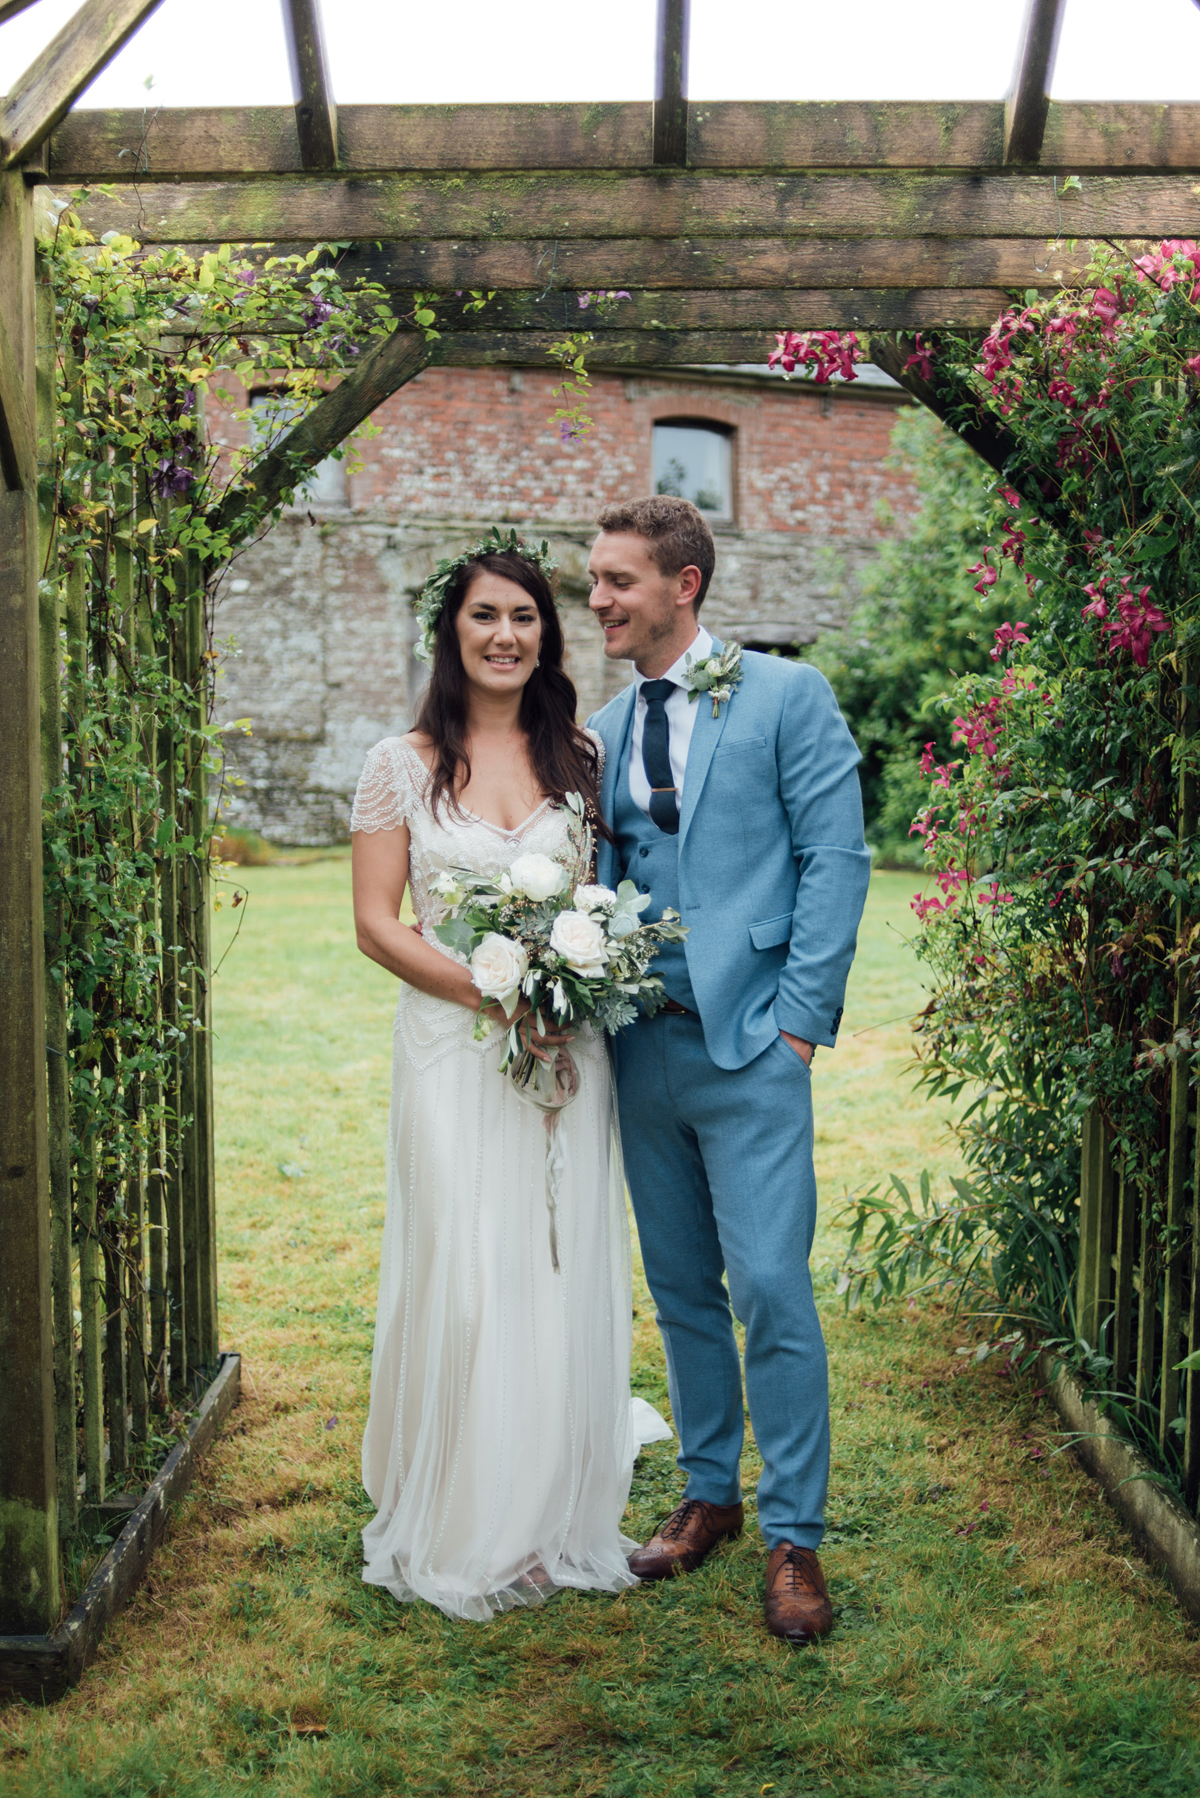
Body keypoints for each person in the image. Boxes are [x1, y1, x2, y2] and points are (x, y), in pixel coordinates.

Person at [350, 531, 667, 1622]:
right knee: (469, 1271)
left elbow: (585, 906)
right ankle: (458, 1502)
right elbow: (376, 926)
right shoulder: (399, 765)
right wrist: (497, 998)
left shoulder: (576, 754)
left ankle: (543, 1508)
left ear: (548, 634)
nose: (505, 635)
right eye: (485, 615)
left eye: (525, 617)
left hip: (563, 1057)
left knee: (554, 1260)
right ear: (453, 631)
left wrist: (560, 994)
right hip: (455, 1048)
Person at [586, 495, 870, 1644]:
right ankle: (709, 1493)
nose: (597, 599)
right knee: (684, 1288)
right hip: (639, 1047)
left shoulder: (787, 696)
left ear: (683, 585)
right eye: (595, 580)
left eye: (617, 581)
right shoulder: (601, 727)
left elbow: (836, 859)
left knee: (770, 1286)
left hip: (752, 1043)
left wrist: (798, 1026)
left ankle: (795, 1532)